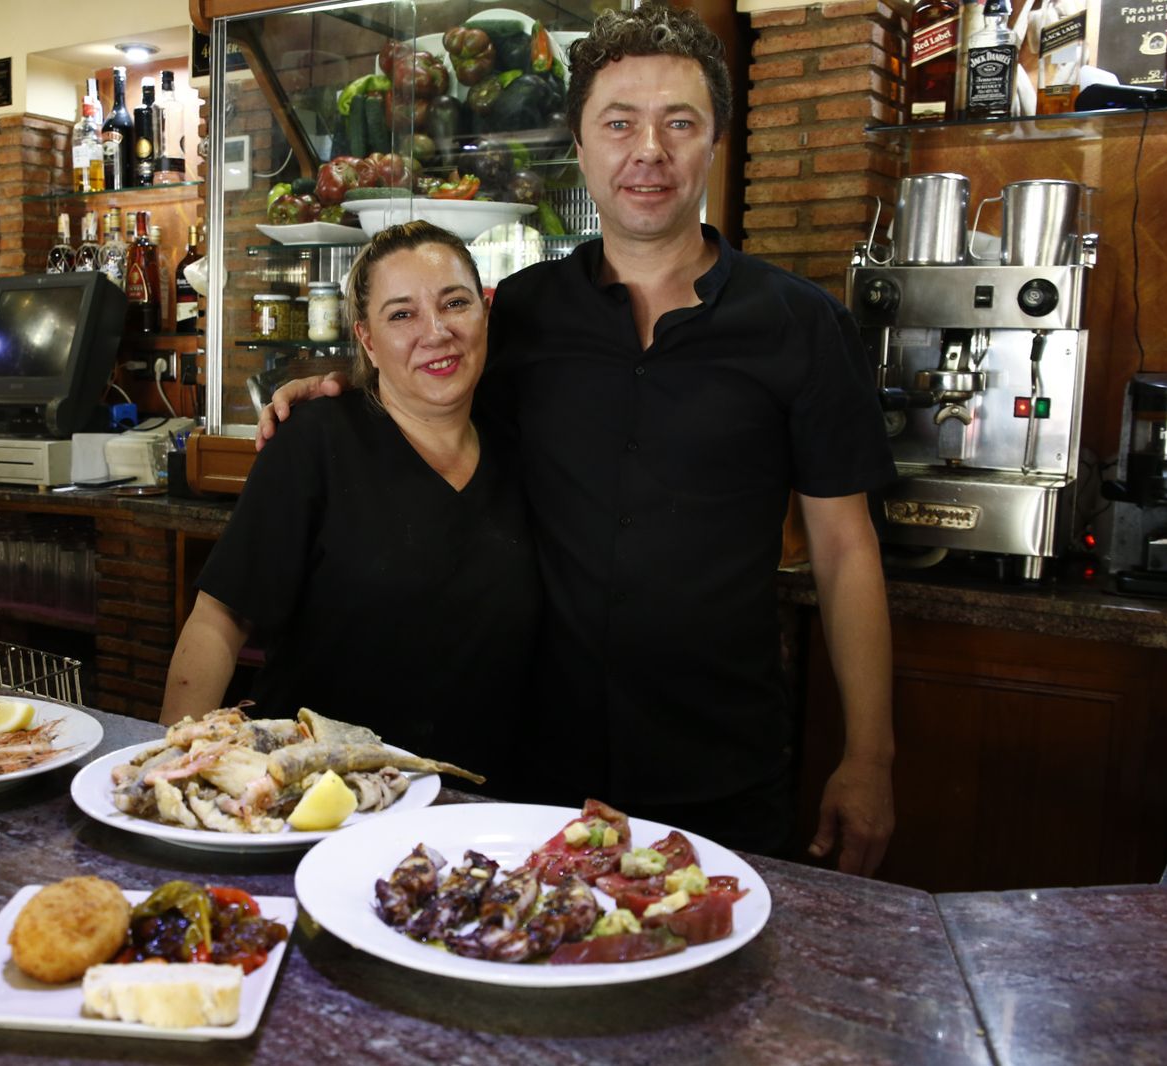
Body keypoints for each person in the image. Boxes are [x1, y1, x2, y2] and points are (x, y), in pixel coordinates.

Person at [257, 3, 896, 876]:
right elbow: (425, 397)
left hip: (720, 763)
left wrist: (870, 758)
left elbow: (845, 548)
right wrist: (337, 392)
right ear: (582, 145)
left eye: (680, 123)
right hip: (528, 766)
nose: (650, 151)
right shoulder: (520, 314)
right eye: (619, 123)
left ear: (713, 140)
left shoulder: (803, 327)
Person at [161, 221, 539, 782]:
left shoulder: (523, 446)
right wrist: (174, 774)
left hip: (477, 806)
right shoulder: (315, 441)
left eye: (454, 303)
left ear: (484, 311)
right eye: (401, 314)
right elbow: (218, 621)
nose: (436, 332)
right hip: (320, 800)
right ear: (366, 338)